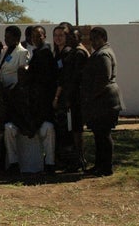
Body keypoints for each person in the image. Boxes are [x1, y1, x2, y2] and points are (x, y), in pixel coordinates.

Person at [81, 27, 122, 177]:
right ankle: (99, 165)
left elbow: (104, 79)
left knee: (104, 135)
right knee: (99, 135)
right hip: (100, 101)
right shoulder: (99, 52)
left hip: (105, 101)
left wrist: (90, 96)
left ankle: (106, 167)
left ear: (103, 38)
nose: (93, 42)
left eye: (96, 38)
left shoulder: (103, 54)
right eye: (91, 39)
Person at [0, 66, 56, 174]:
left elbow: (43, 111)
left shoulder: (39, 90)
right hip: (21, 125)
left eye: (25, 74)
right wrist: (23, 127)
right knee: (8, 128)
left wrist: (34, 126)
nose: (22, 77)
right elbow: (12, 113)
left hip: (36, 124)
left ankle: (50, 164)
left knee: (49, 127)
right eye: (20, 74)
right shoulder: (12, 91)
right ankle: (13, 163)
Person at [54, 27, 90, 172]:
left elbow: (74, 78)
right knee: (72, 129)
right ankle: (73, 159)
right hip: (71, 96)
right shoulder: (71, 52)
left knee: (76, 130)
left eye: (73, 37)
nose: (70, 40)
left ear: (79, 38)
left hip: (76, 98)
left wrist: (66, 97)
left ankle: (79, 160)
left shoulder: (79, 53)